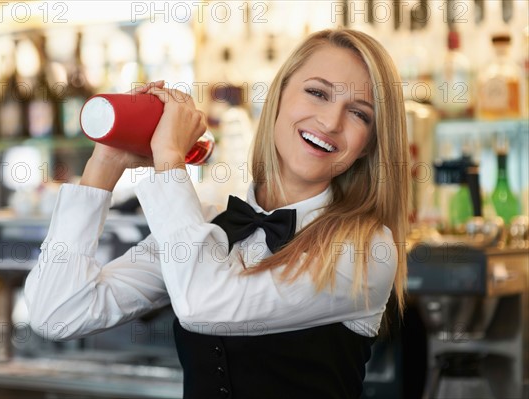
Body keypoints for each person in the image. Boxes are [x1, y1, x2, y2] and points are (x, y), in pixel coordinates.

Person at [25, 28, 410, 399]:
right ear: (277, 97)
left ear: (367, 146)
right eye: (316, 93)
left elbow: (202, 304)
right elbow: (57, 313)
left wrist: (171, 160)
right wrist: (106, 160)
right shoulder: (206, 224)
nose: (330, 122)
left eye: (359, 114)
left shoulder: (365, 250)